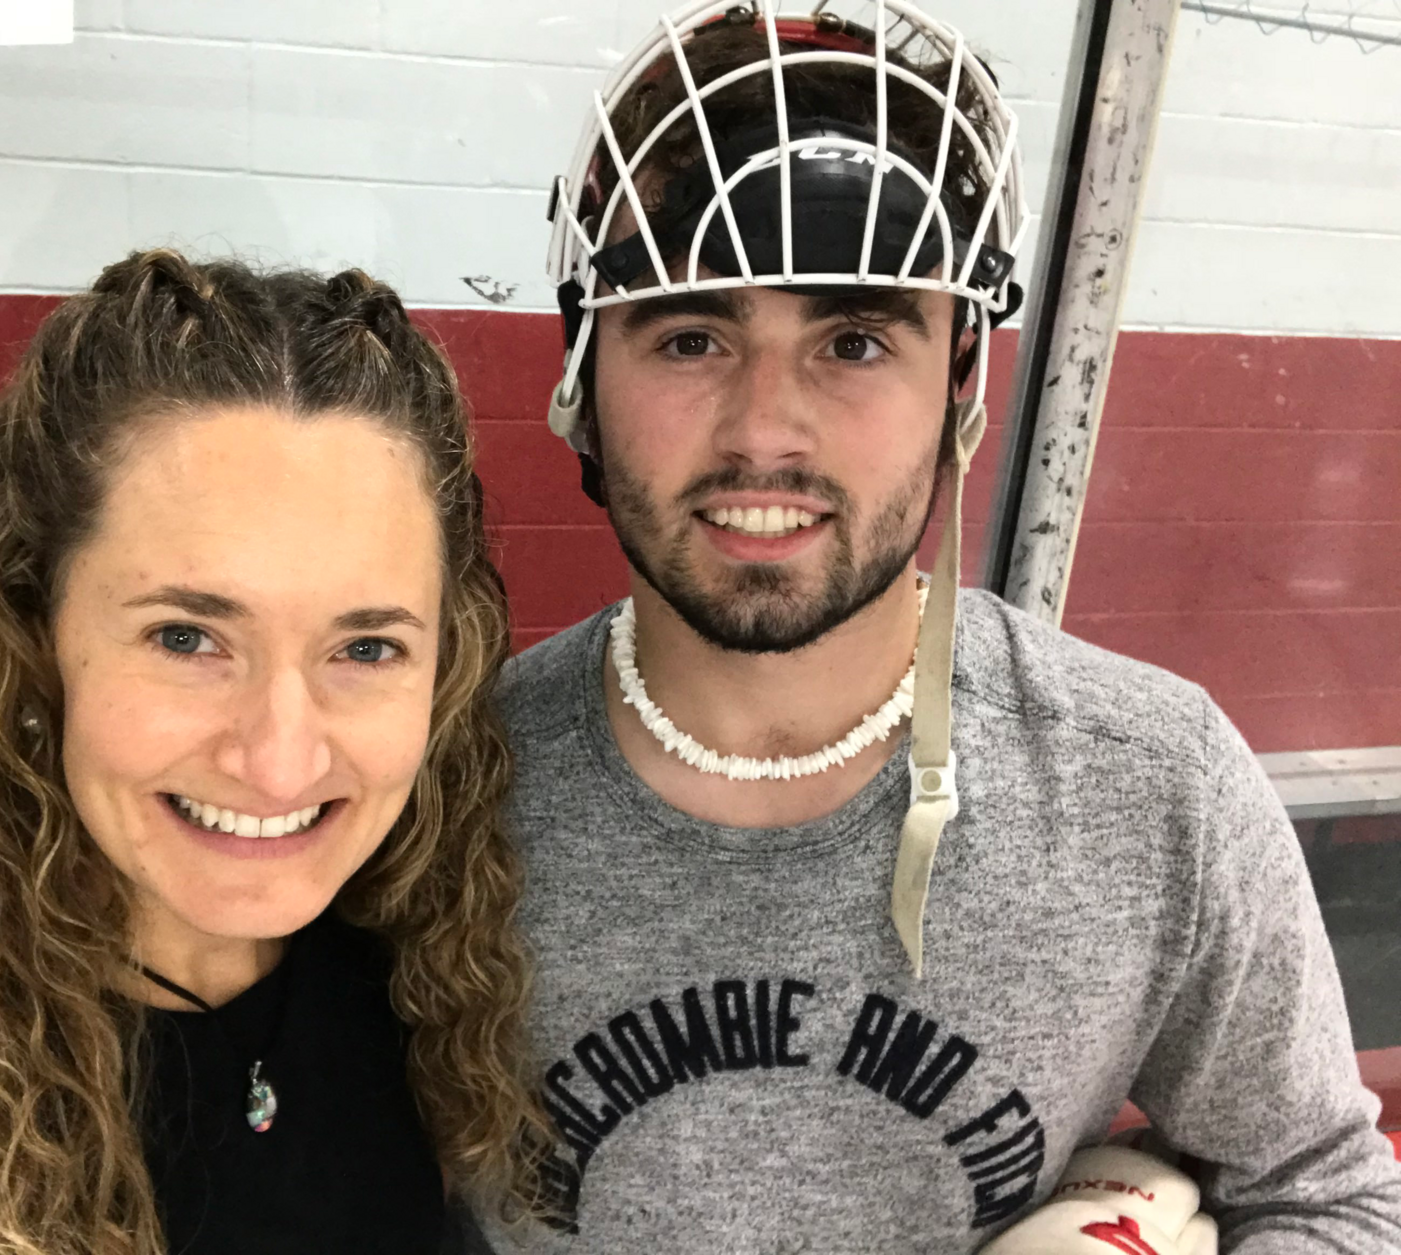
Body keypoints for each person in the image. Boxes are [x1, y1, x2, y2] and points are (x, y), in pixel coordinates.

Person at [485, 2, 1401, 1251]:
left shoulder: (1147, 782)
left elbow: (1327, 1193)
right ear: (584, 376)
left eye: (853, 341)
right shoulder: (446, 787)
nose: (764, 428)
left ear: (959, 378)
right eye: (690, 336)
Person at [0, 250, 553, 1255]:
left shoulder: (406, 975)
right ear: (28, 631)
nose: (279, 759)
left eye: (365, 647)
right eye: (186, 637)